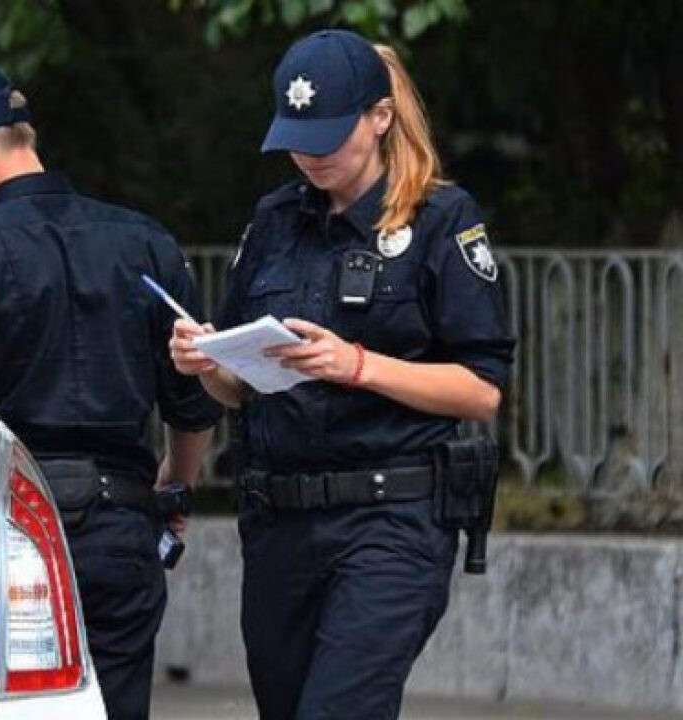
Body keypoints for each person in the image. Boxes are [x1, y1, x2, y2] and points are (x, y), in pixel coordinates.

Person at [169, 30, 514, 720]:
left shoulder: (440, 219)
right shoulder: (274, 220)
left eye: (329, 136)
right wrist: (206, 362)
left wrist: (356, 365)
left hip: (390, 518)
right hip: (280, 521)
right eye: (297, 139)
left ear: (380, 117)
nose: (312, 155)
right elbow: (238, 388)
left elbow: (481, 390)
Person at [0, 62, 221, 719]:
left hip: (9, 533)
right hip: (122, 528)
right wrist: (174, 487)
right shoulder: (146, 243)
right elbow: (194, 397)